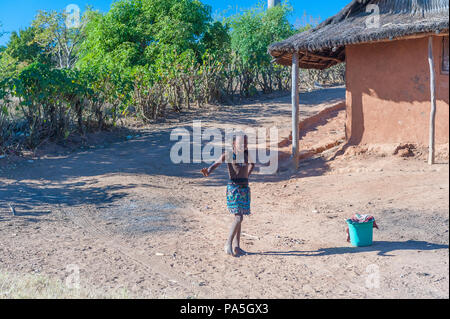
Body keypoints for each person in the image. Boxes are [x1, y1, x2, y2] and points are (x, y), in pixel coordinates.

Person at [201, 134, 255, 257]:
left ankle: (237, 247)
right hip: (234, 189)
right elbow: (215, 164)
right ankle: (228, 243)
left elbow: (253, 164)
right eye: (241, 143)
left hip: (244, 188)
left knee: (240, 216)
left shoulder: (247, 154)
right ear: (234, 144)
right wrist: (208, 171)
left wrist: (247, 175)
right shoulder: (229, 154)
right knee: (238, 217)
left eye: (245, 143)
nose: (244, 145)